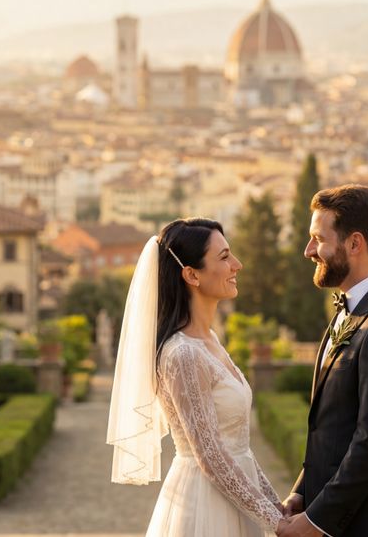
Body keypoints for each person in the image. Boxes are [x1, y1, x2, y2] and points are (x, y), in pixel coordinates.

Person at [107, 218, 285, 536]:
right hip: (206, 505)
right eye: (224, 257)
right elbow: (210, 455)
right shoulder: (183, 354)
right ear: (191, 275)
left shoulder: (210, 340)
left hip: (238, 500)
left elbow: (239, 448)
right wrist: (276, 522)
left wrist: (277, 507)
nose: (237, 265)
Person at [279, 185, 368, 537]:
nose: (308, 251)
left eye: (318, 239)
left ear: (355, 243)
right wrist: (302, 492)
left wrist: (316, 521)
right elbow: (332, 429)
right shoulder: (351, 311)